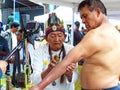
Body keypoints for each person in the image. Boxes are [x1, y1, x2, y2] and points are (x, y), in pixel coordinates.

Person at [30, 0, 120, 90]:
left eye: (85, 16)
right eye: (81, 18)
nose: (83, 21)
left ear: (97, 12)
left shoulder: (96, 35)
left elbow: (66, 63)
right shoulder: (115, 33)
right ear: (46, 38)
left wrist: (39, 86)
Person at [30, 24, 79, 90]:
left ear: (65, 37)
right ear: (46, 38)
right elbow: (35, 79)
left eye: (59, 36)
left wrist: (69, 74)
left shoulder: (71, 50)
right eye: (52, 36)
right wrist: (48, 70)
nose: (56, 39)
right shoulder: (39, 51)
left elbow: (75, 76)